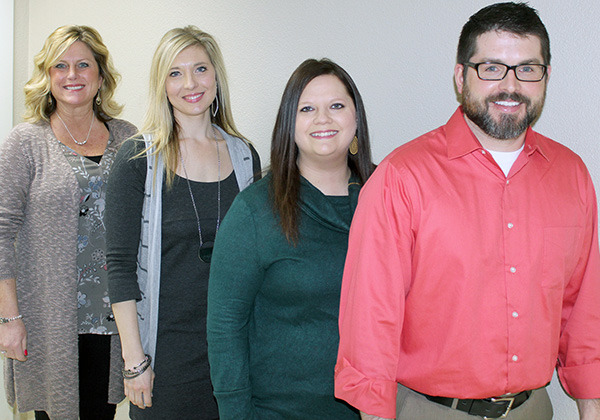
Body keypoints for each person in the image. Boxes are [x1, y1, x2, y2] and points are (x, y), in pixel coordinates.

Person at [334, 3, 600, 420]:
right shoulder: (402, 177)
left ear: (546, 77)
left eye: (527, 69)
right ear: (461, 77)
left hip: (534, 409)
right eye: (491, 68)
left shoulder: (572, 175)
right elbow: (371, 320)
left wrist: (591, 409)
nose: (510, 86)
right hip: (430, 410)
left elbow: (583, 307)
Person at [105, 26, 261, 419]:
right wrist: (134, 362)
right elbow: (120, 269)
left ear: (216, 77)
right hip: (164, 360)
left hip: (233, 355)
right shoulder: (137, 159)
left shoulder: (245, 157)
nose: (190, 83)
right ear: (162, 84)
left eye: (200, 69)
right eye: (175, 73)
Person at [207, 58, 374, 420]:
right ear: (289, 123)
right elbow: (224, 328)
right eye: (307, 108)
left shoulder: (389, 196)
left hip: (376, 409)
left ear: (356, 118)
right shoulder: (255, 210)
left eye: (337, 106)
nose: (323, 119)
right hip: (281, 411)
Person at [0, 25, 136, 420]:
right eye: (60, 65)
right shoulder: (25, 142)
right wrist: (9, 319)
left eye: (83, 64)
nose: (72, 75)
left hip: (114, 321)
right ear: (47, 75)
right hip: (48, 321)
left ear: (100, 75)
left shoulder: (129, 139)